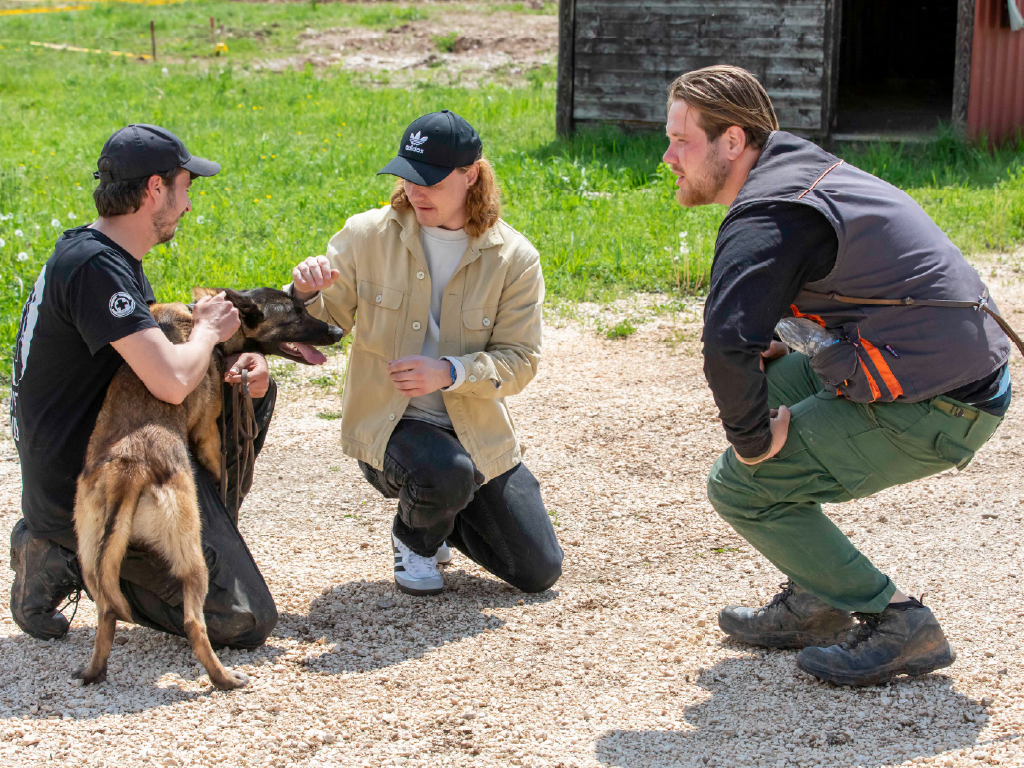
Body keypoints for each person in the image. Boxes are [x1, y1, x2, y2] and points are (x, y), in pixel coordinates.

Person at [663, 66, 1011, 686]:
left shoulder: (771, 214)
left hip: (943, 403)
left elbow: (724, 344)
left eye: (682, 141)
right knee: (763, 390)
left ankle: (898, 620)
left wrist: (751, 441)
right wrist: (771, 353)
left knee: (741, 486)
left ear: (735, 141)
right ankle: (818, 597)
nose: (668, 157)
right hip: (941, 367)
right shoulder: (801, 170)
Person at [9, 124, 278, 647]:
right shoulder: (95, 269)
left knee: (245, 390)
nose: (188, 206)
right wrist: (206, 331)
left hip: (114, 458)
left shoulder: (101, 255)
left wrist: (237, 361)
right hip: (89, 489)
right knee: (240, 619)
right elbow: (173, 383)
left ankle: (205, 532)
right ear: (155, 189)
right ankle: (59, 551)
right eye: (185, 189)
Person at [288, 110, 563, 597]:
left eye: (431, 181)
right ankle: (414, 538)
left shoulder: (516, 258)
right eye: (408, 177)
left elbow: (521, 361)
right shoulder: (365, 234)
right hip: (391, 427)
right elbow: (330, 323)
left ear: (471, 175)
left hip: (475, 431)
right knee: (446, 473)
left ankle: (439, 512)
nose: (415, 192)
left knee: (538, 570)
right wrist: (307, 293)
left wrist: (449, 372)